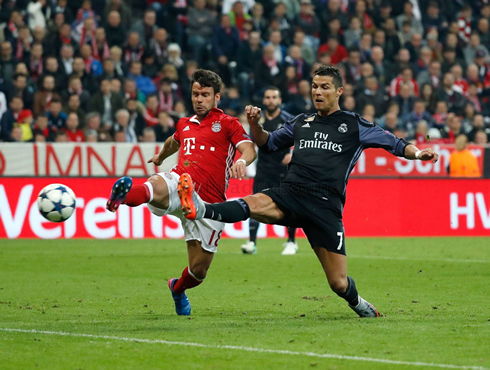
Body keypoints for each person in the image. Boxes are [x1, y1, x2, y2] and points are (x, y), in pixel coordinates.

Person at [177, 65, 440, 318]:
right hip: (292, 193)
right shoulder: (302, 121)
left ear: (339, 92)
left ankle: (357, 302)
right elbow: (268, 144)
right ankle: (202, 209)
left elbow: (394, 143)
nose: (317, 92)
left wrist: (418, 153)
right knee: (253, 203)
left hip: (325, 206)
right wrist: (255, 125)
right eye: (314, 86)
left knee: (338, 283)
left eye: (324, 87)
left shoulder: (353, 124)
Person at [105, 69, 256, 316]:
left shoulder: (228, 123)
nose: (198, 99)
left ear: (216, 97)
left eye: (205, 95)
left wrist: (242, 161)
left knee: (198, 272)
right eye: (195, 94)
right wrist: (160, 157)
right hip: (182, 182)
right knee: (155, 186)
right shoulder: (184, 123)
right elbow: (173, 141)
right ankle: (122, 197)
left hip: (210, 204)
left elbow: (249, 148)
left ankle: (177, 288)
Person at [240, 87, 298, 256]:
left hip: (284, 170)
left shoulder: (288, 119)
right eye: (268, 97)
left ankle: (291, 242)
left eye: (274, 97)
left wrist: (293, 154)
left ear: (279, 100)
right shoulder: (258, 121)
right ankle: (251, 242)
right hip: (264, 169)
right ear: (264, 100)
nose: (271, 100)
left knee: (289, 206)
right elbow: (251, 144)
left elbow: (302, 140)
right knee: (255, 204)